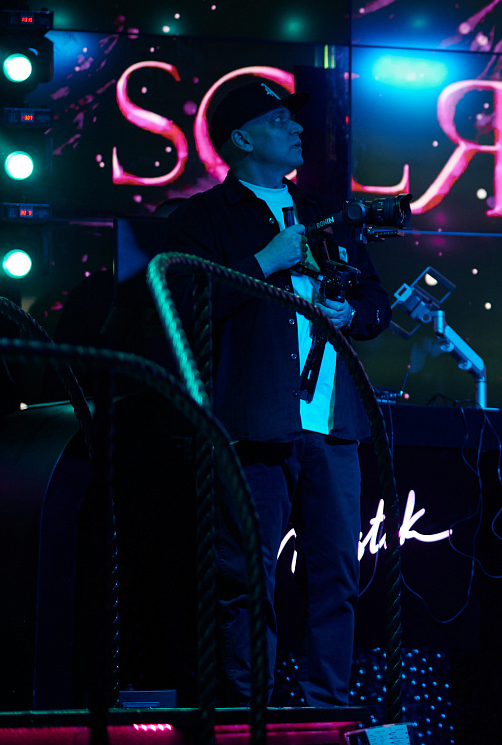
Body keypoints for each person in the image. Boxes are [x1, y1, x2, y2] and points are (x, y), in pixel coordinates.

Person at [165, 78, 391, 707]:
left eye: (294, 120)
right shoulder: (201, 218)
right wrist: (264, 261)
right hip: (253, 422)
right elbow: (181, 305)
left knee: (338, 572)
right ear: (241, 139)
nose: (295, 128)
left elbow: (376, 299)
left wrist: (353, 313)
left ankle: (327, 708)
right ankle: (249, 715)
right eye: (278, 120)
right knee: (244, 571)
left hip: (333, 423)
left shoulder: (328, 212)